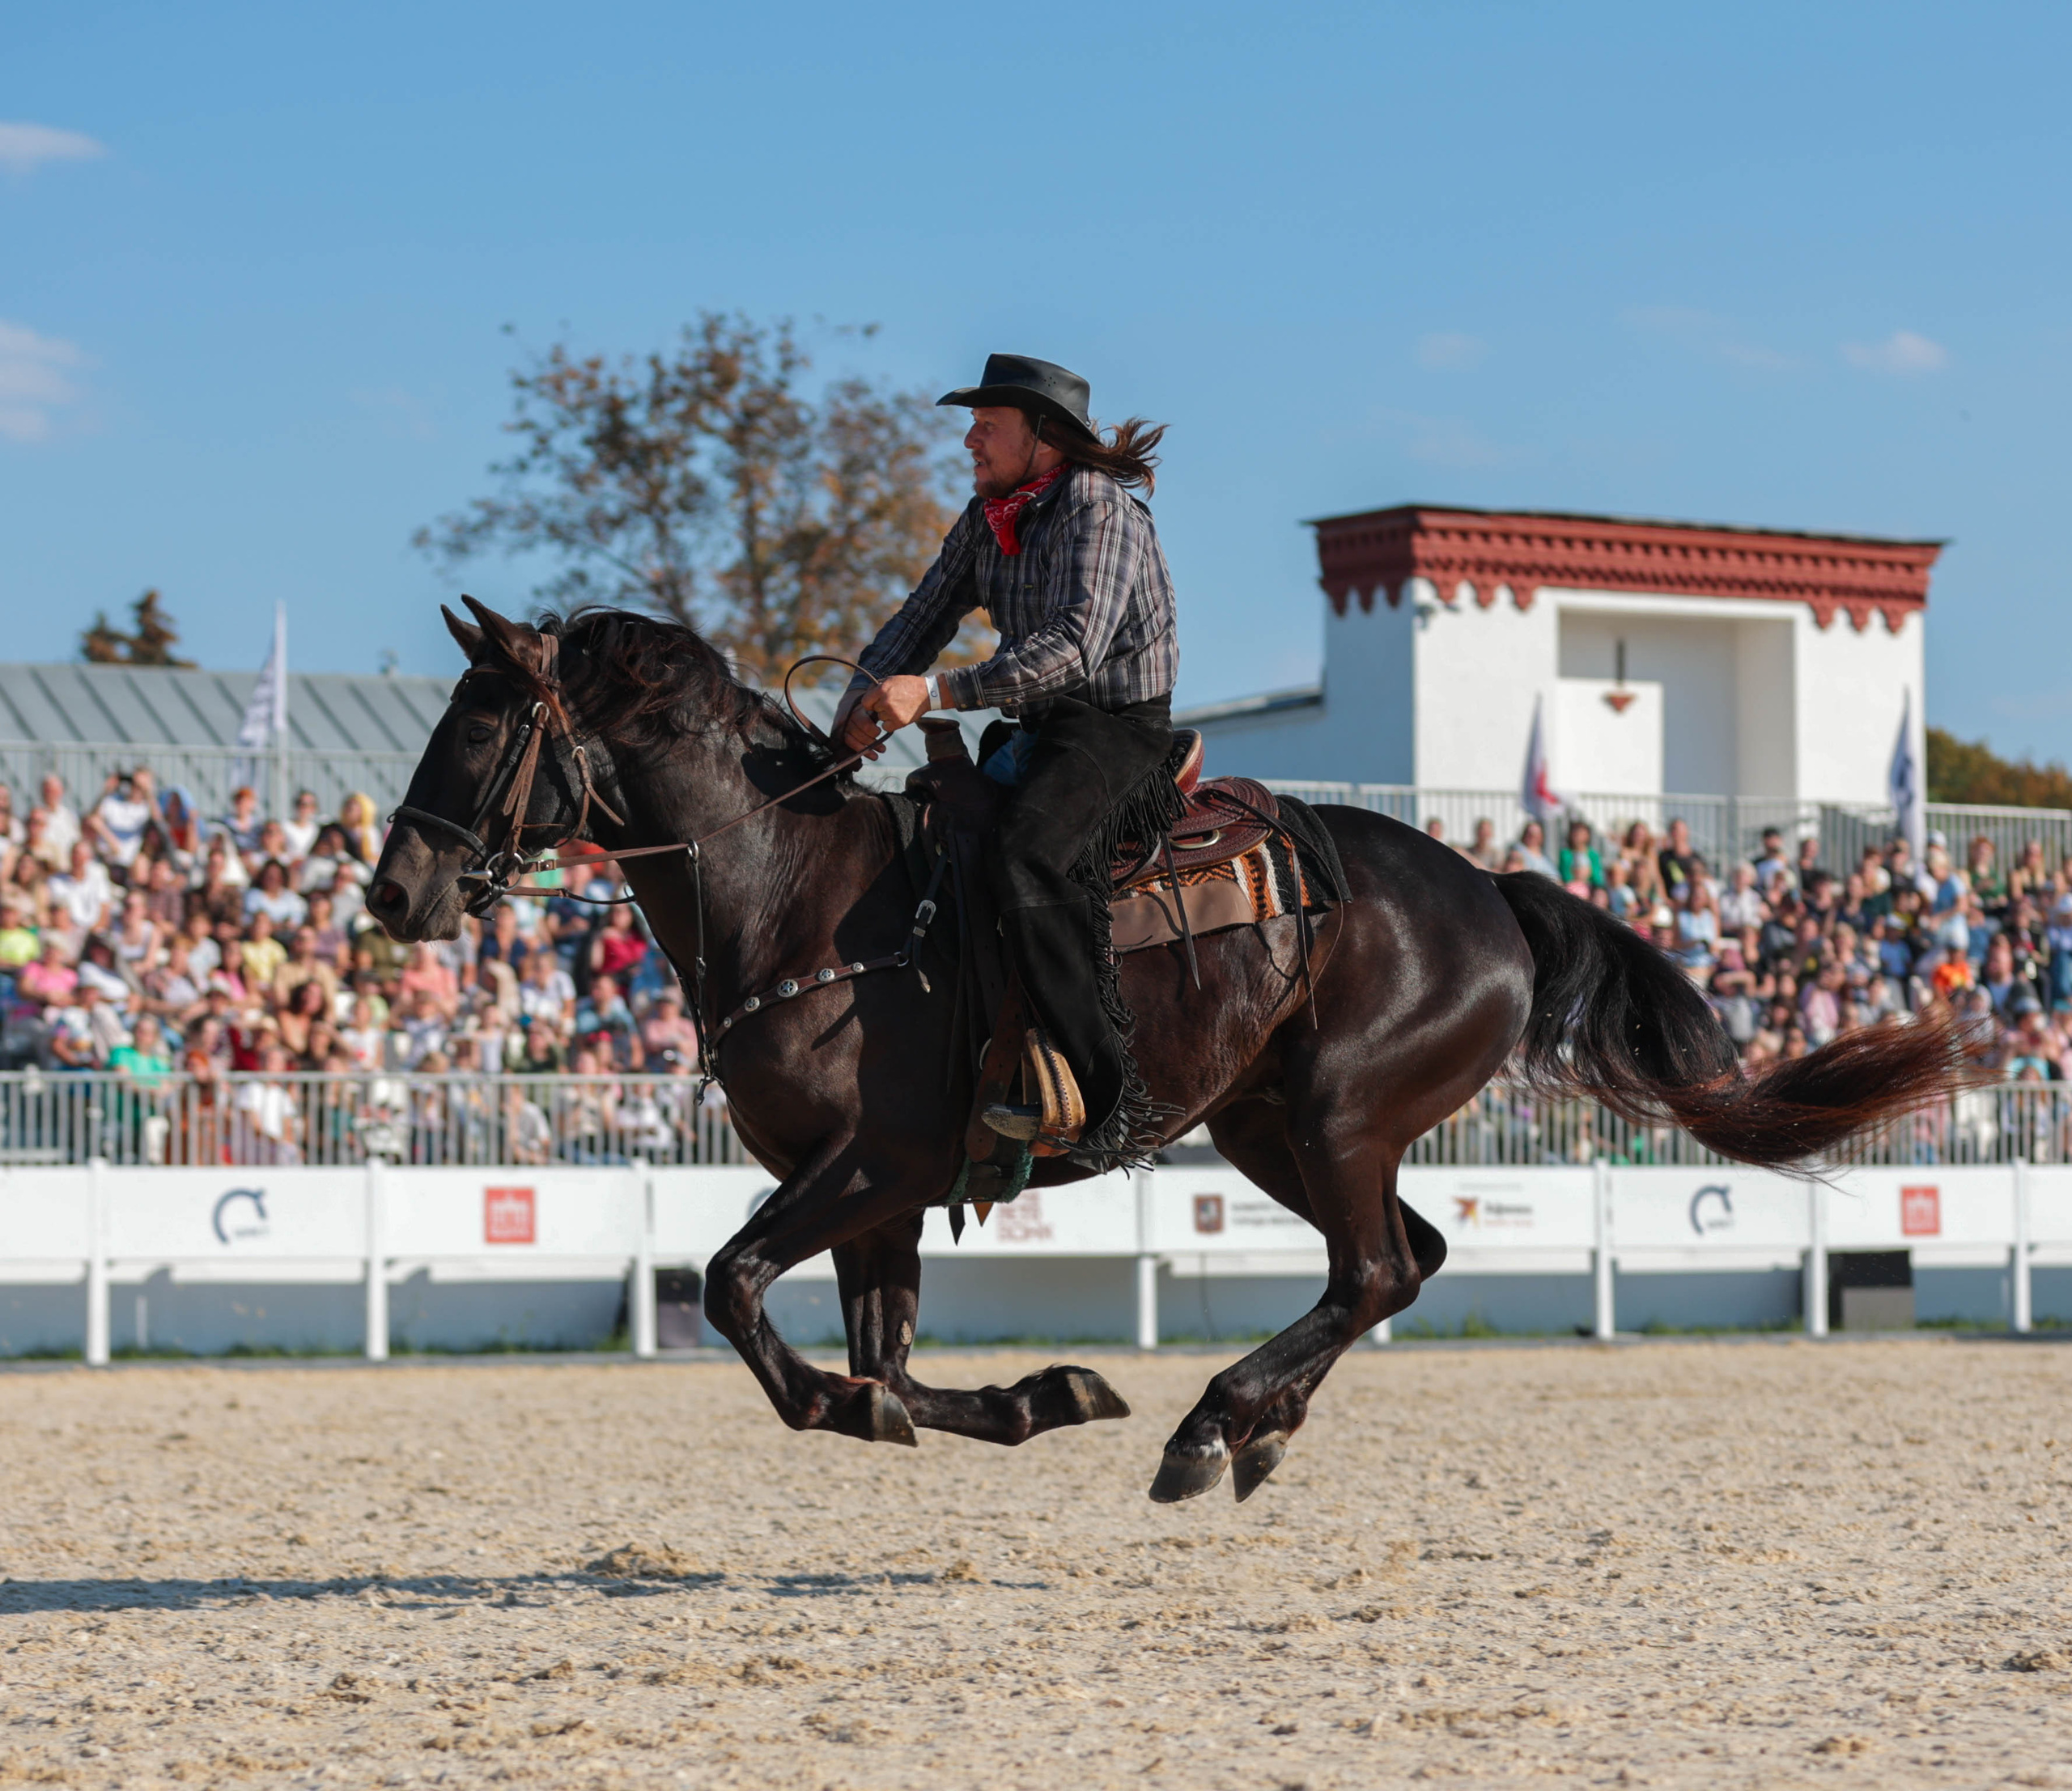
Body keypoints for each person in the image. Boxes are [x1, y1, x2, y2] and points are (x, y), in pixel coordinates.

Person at [832, 353, 1178, 1161]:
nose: (968, 441)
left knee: (1029, 854)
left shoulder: (1102, 509)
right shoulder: (991, 508)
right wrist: (858, 699)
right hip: (1033, 727)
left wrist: (938, 692)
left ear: (1045, 438)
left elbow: (1074, 651)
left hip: (1113, 728)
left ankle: (1104, 1100)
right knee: (928, 837)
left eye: (987, 425)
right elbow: (922, 614)